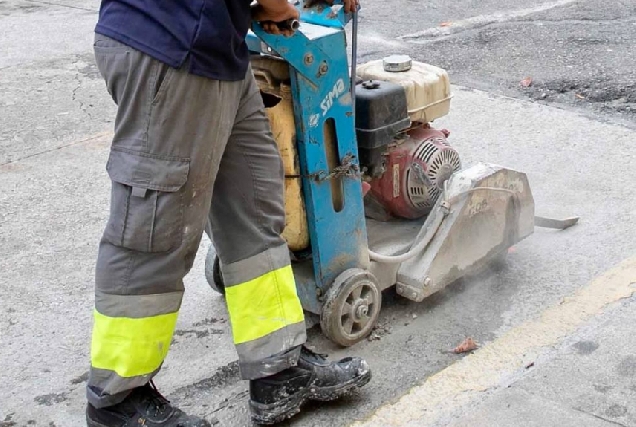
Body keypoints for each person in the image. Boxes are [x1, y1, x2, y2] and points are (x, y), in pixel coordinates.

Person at [86, 0, 370, 426]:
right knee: (156, 229)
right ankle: (117, 399)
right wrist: (277, 5)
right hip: (171, 47)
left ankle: (277, 368)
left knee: (254, 206)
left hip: (216, 51)